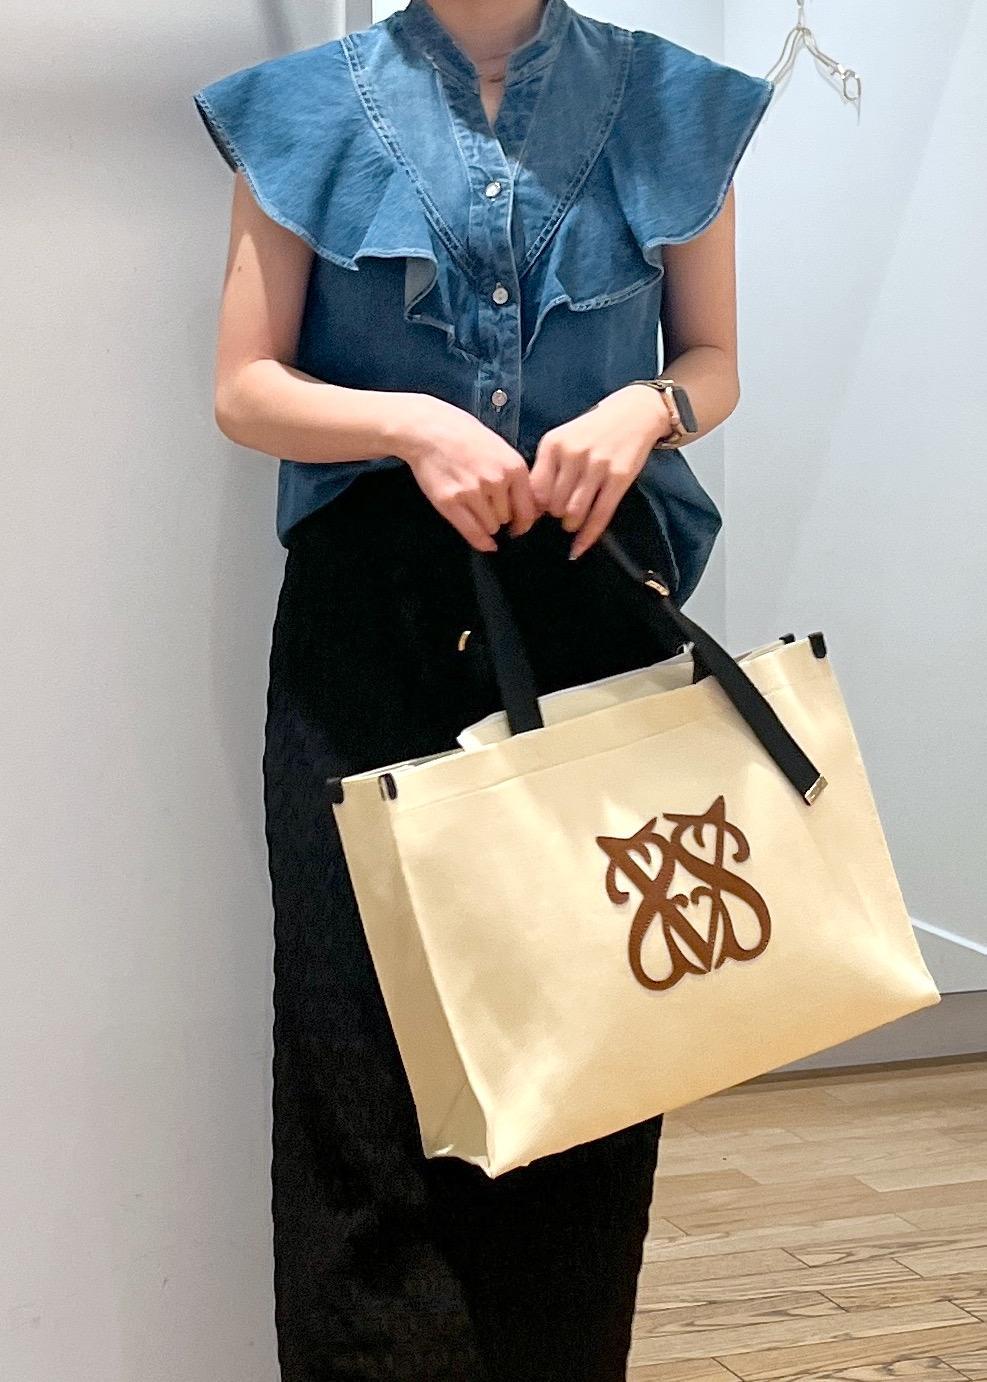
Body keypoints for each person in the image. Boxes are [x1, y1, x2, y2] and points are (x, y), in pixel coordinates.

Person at [192, 1, 773, 1377]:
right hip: (371, 628)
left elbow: (715, 362)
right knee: (359, 1061)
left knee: (589, 1055)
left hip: (588, 617)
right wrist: (408, 424)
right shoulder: (302, 108)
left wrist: (646, 408)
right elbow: (244, 387)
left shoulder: (673, 102)